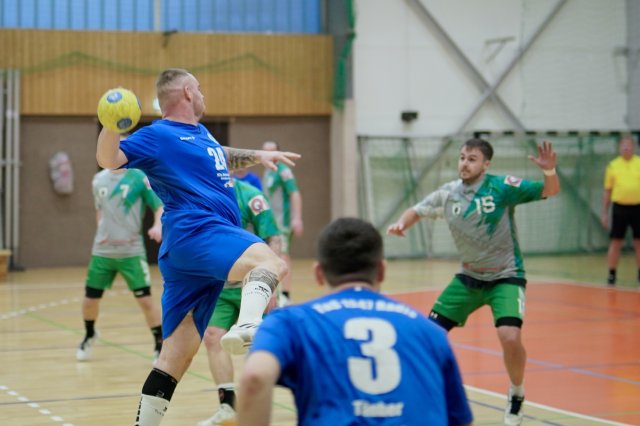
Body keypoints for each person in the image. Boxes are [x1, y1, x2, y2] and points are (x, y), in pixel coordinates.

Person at [95, 68, 299, 426]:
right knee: (270, 262)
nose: (203, 95)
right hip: (197, 230)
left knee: (175, 356)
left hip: (185, 252)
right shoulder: (157, 135)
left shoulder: (201, 135)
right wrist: (111, 125)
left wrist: (258, 155)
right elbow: (109, 161)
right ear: (188, 92)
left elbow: (218, 154)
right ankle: (248, 324)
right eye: (200, 89)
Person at [387, 138, 560, 426]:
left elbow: (549, 190)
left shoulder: (501, 187)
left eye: (472, 159)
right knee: (430, 335)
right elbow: (417, 209)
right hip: (469, 278)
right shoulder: (449, 194)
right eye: (462, 158)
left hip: (505, 276)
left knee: (509, 336)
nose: (465, 164)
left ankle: (516, 392)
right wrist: (402, 223)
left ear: (486, 164)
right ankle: (427, 391)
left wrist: (549, 171)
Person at [237, 218, 473, 426]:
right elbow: (460, 419)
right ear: (381, 271)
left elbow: (255, 377)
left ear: (318, 273)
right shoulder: (431, 331)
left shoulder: (290, 322)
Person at [198, 177, 281, 426]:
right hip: (220, 285)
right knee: (212, 336)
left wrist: (272, 283)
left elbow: (273, 238)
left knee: (260, 346)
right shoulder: (204, 191)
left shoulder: (251, 196)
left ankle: (255, 408)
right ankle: (227, 407)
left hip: (253, 285)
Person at [76, 167, 164, 362]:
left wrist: (158, 225)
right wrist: (102, 233)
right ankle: (89, 334)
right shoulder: (98, 179)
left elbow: (158, 206)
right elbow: (100, 211)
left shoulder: (139, 177)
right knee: (90, 300)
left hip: (131, 252)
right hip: (102, 252)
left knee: (145, 300)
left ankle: (159, 342)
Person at [262, 140, 303, 306]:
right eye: (265, 151)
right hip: (271, 222)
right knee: (273, 255)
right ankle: (277, 293)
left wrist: (297, 218)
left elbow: (294, 193)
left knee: (283, 254)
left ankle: (286, 294)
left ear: (278, 153)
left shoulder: (284, 171)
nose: (269, 154)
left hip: (282, 222)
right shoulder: (268, 172)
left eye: (272, 151)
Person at [601, 135, 640, 286]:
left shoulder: (639, 163)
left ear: (634, 147)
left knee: (638, 242)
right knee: (616, 242)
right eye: (623, 145)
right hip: (619, 208)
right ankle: (612, 274)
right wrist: (605, 213)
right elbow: (607, 190)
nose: (626, 148)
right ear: (619, 147)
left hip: (638, 208)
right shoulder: (613, 166)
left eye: (629, 145)